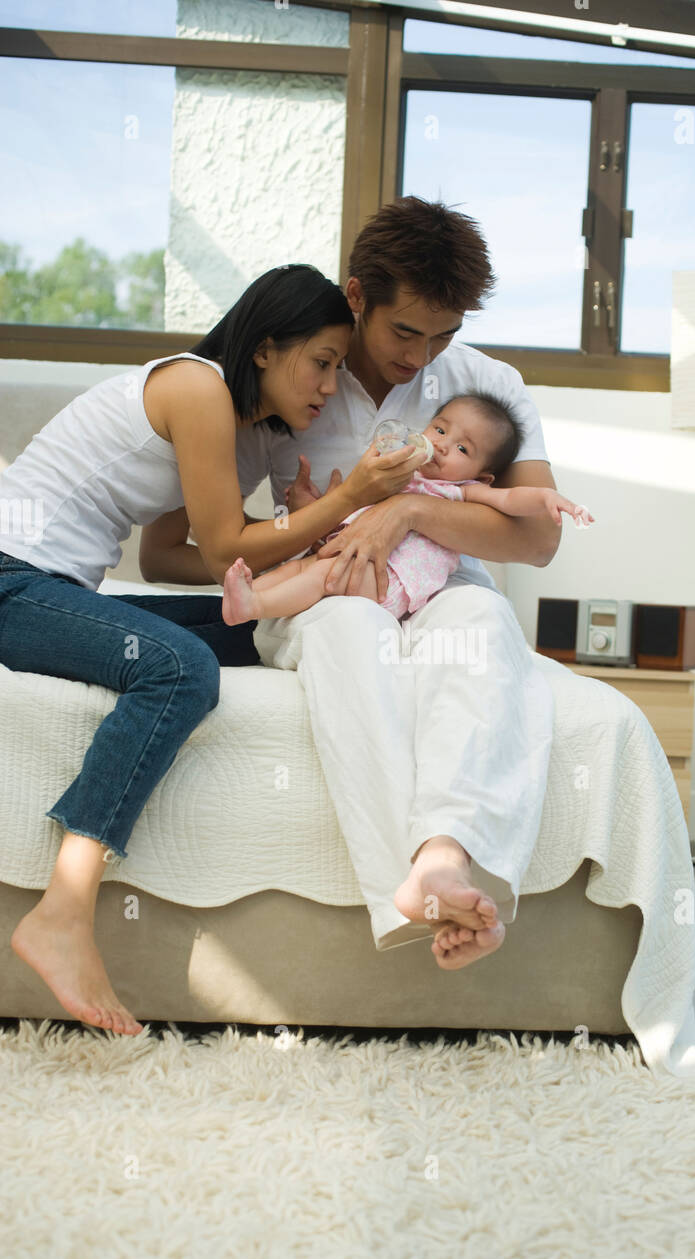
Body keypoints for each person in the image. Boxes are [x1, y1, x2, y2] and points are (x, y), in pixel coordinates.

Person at [144, 198, 567, 970]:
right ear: (357, 295)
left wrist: (405, 511)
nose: (421, 356)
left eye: (443, 334)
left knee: (482, 628)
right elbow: (188, 542)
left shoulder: (482, 384)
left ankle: (443, 855)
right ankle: (412, 888)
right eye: (405, 331)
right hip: (327, 589)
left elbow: (538, 538)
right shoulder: (296, 371)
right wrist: (310, 540)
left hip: (442, 585)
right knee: (351, 629)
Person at [0, 264, 423, 1035]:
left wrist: (301, 566)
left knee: (255, 628)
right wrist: (348, 498)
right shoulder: (197, 390)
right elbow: (229, 540)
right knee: (178, 667)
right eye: (322, 362)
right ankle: (63, 908)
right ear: (265, 349)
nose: (330, 385)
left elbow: (168, 558)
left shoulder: (250, 434)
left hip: (52, 589)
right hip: (11, 579)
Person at [221, 392, 593, 625]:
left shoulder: (462, 491)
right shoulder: (398, 471)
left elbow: (511, 500)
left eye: (464, 449)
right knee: (301, 566)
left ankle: (255, 606)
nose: (444, 446)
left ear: (484, 475)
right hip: (355, 556)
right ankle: (242, 596)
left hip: (390, 581)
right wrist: (311, 505)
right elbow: (355, 516)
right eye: (441, 430)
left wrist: (548, 499)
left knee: (323, 575)